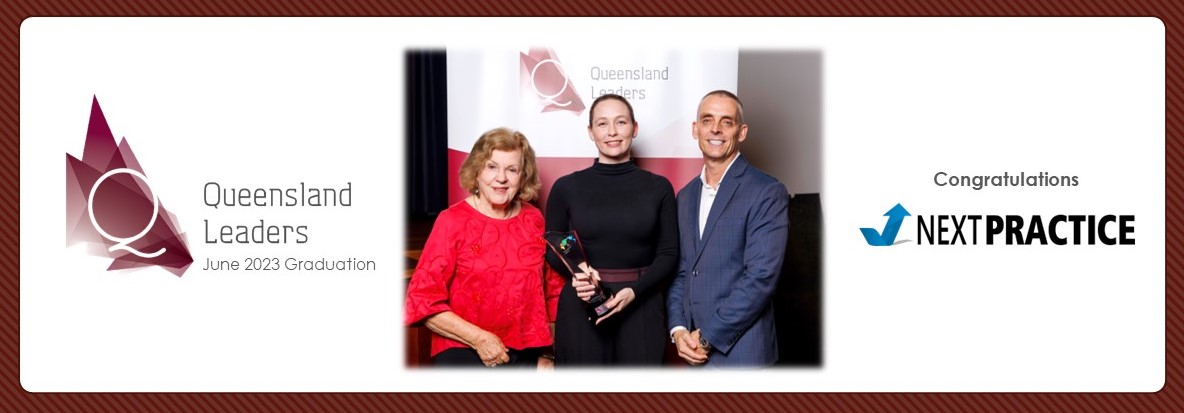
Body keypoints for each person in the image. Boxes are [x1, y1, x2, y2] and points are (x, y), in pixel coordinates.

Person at [404, 127, 564, 369]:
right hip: (464, 350)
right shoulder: (452, 221)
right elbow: (422, 300)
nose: (501, 178)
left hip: (528, 353)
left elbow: (552, 291)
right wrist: (480, 340)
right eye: (492, 167)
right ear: (477, 171)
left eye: (512, 169)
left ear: (523, 176)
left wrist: (549, 354)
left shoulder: (534, 219)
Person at [545, 94, 679, 366]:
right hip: (584, 301)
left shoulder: (659, 187)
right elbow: (554, 245)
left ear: (635, 128)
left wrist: (636, 291)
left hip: (642, 303)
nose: (612, 132)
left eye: (621, 122)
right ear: (591, 132)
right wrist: (580, 275)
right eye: (603, 124)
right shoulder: (566, 187)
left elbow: (669, 253)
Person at [667, 90, 790, 367]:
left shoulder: (766, 191)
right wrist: (678, 330)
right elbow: (682, 270)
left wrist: (707, 336)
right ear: (695, 129)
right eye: (707, 120)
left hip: (742, 354)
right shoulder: (685, 196)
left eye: (727, 122)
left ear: (741, 132)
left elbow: (760, 279)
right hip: (694, 352)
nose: (716, 129)